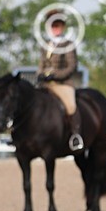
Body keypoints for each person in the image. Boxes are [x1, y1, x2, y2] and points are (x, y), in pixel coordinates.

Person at [37, 14, 84, 151]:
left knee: (70, 105)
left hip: (63, 83)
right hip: (45, 84)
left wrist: (54, 75)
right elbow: (41, 64)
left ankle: (75, 136)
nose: (56, 29)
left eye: (58, 26)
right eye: (53, 26)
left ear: (62, 27)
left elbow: (72, 66)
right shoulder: (46, 45)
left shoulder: (68, 44)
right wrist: (40, 74)